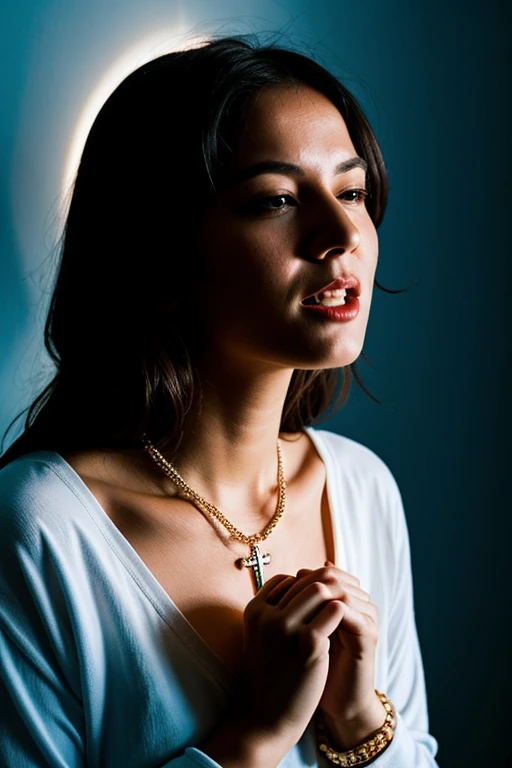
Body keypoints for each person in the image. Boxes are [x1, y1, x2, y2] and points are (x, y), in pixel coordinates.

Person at [0, 35, 439, 767]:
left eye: (353, 191)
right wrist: (253, 737)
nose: (342, 236)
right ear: (162, 253)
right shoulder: (38, 530)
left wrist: (361, 718)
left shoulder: (361, 488)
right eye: (277, 200)